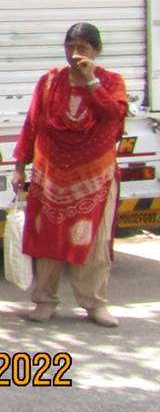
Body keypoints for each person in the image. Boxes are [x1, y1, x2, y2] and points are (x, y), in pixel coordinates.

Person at [12, 22, 128, 327]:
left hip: (95, 178)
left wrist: (90, 81)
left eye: (82, 48)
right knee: (46, 240)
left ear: (96, 51)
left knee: (94, 243)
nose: (75, 53)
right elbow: (33, 123)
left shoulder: (112, 82)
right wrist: (19, 166)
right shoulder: (50, 81)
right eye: (70, 46)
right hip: (50, 176)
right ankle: (45, 300)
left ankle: (94, 303)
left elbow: (113, 115)